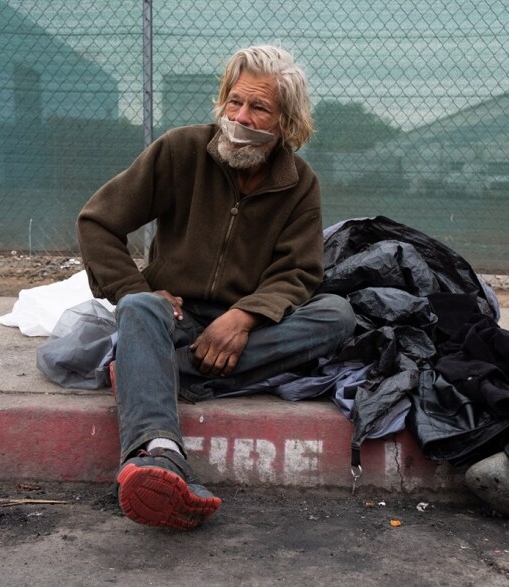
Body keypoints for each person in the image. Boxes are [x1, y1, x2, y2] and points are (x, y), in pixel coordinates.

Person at [77, 45, 356, 530]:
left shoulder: (299, 184)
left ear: (286, 123)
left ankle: (162, 373)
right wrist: (132, 287)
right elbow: (97, 222)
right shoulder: (181, 150)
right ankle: (157, 454)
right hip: (176, 317)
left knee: (337, 316)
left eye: (259, 108)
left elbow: (300, 272)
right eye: (234, 102)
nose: (240, 117)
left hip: (245, 329)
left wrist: (245, 316)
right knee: (138, 309)